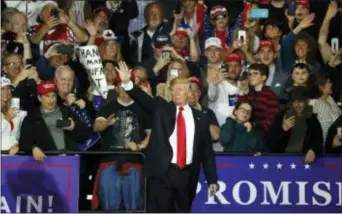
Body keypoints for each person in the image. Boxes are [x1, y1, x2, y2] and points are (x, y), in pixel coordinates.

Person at [115, 61, 217, 212]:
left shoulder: (201, 118)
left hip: (186, 175)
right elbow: (144, 100)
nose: (176, 93)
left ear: (189, 93)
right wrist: (127, 83)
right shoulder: (162, 108)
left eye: (180, 90)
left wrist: (212, 179)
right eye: (174, 90)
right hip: (162, 173)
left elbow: (207, 151)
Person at [19, 81, 90, 162]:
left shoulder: (67, 112)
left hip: (71, 160)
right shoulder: (32, 118)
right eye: (47, 96)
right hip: (47, 163)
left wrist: (74, 127)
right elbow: (24, 141)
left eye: (54, 96)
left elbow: (85, 135)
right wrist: (33, 148)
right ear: (39, 98)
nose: (51, 100)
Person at [265, 86, 323, 163]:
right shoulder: (282, 117)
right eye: (294, 102)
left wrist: (313, 150)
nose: (297, 105)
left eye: (300, 101)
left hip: (303, 159)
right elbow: (270, 145)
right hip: (282, 160)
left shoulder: (311, 119)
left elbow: (318, 141)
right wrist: (283, 129)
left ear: (306, 102)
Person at [1, 77, 27, 154]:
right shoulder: (9, 114)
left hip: (14, 156)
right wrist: (6, 120)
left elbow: (18, 134)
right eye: (2, 89)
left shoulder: (14, 110)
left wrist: (17, 144)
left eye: (8, 88)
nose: (6, 92)